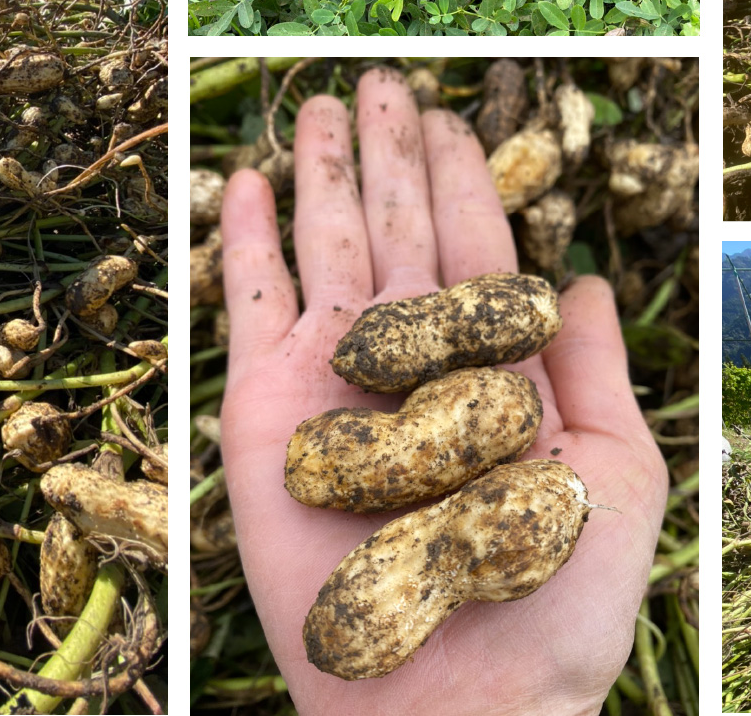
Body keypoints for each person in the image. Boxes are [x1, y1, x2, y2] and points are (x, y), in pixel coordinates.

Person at [217, 66, 671, 715]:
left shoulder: (506, 443)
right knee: (413, 446)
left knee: (438, 459)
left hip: (451, 447)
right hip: (426, 439)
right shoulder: (490, 412)